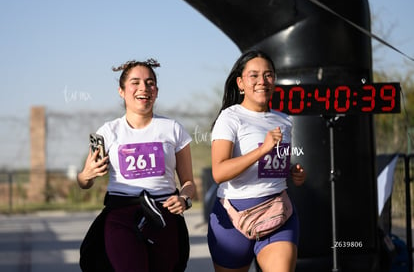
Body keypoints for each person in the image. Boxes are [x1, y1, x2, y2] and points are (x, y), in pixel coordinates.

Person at [77, 58, 196, 272]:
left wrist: (184, 199)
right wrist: (85, 175)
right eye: (135, 82)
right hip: (121, 216)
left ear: (156, 91)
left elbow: (188, 183)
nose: (144, 87)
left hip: (164, 217)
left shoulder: (173, 129)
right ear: (121, 91)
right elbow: (84, 182)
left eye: (150, 83)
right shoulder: (108, 132)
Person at [207, 50, 306, 272]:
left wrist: (292, 171)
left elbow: (271, 165)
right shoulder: (230, 117)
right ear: (241, 83)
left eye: (268, 75)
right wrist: (262, 150)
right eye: (254, 75)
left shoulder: (284, 120)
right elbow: (219, 172)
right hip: (233, 217)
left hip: (277, 213)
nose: (262, 81)